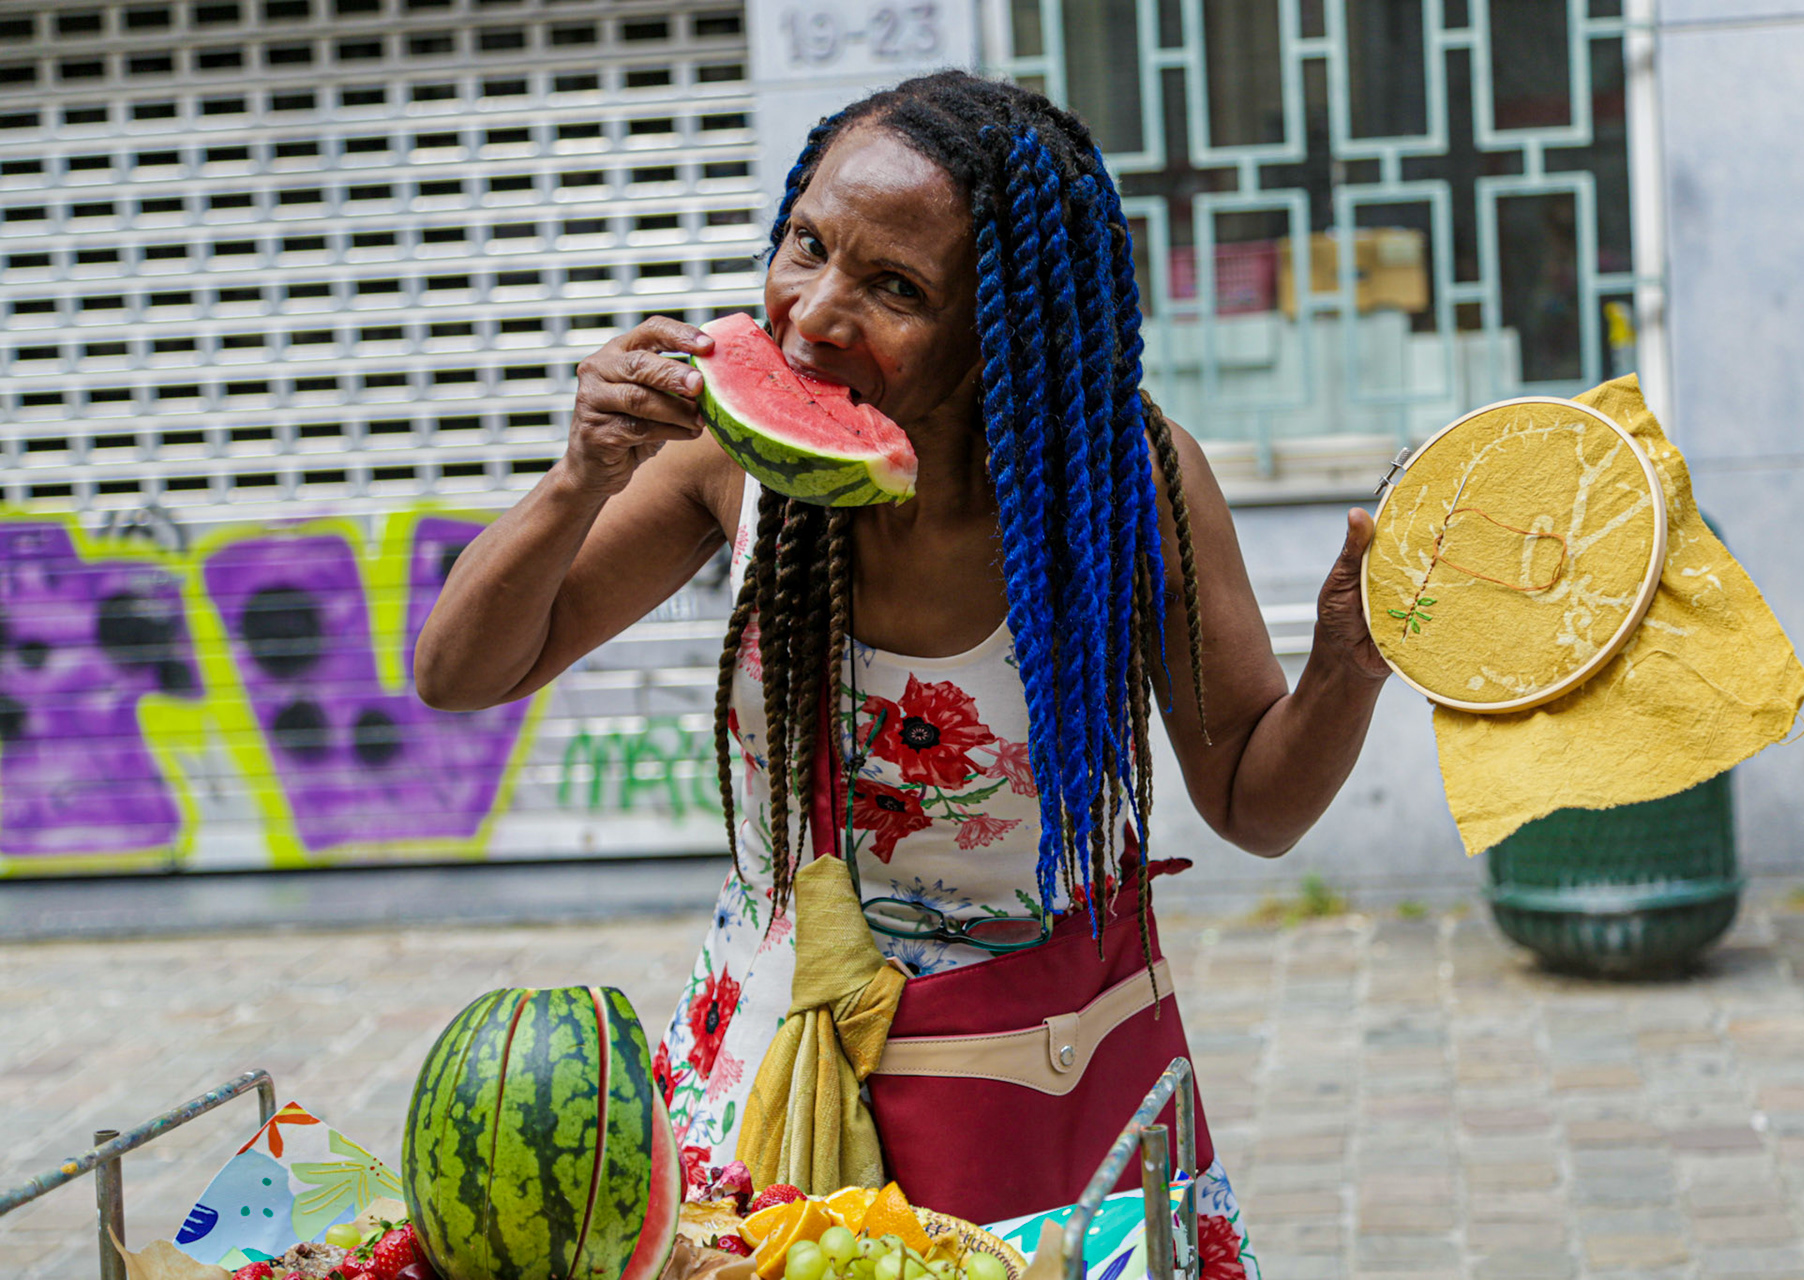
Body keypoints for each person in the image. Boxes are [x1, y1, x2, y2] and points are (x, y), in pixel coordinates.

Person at [416, 70, 1389, 1280]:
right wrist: (581, 475)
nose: (815, 313)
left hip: (1041, 1067)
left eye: (897, 288)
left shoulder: (1121, 482)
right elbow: (460, 672)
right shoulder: (728, 450)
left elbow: (1255, 802)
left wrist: (1346, 663)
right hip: (771, 1051)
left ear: (1000, 326)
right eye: (807, 244)